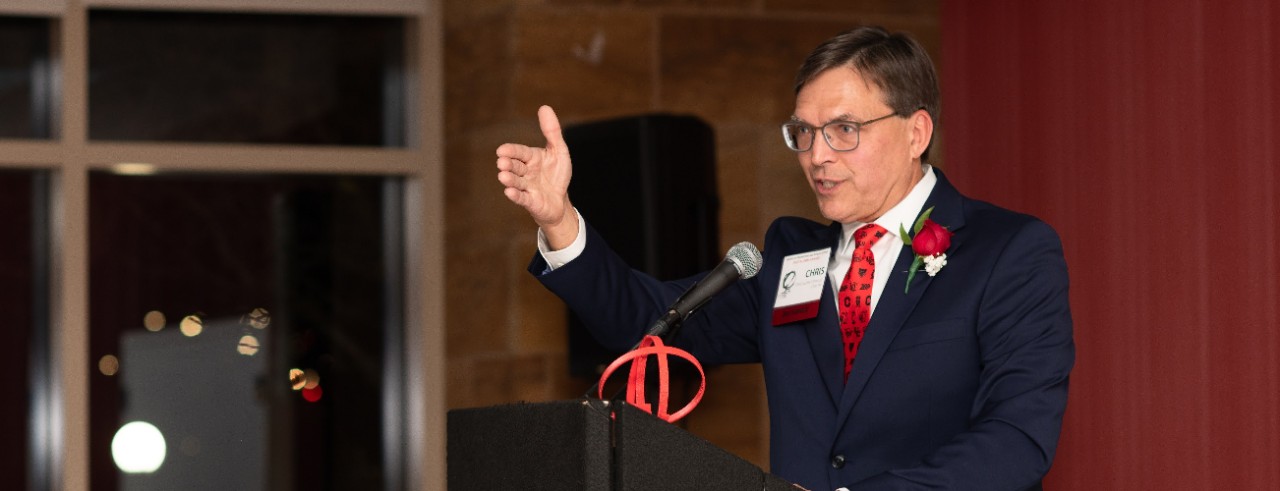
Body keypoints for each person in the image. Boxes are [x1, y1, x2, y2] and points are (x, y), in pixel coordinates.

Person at [495, 26, 1074, 491]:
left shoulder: (1008, 252)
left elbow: (1016, 440)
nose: (817, 155)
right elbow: (648, 324)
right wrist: (559, 220)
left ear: (916, 131)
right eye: (804, 131)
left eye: (843, 129)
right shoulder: (790, 259)